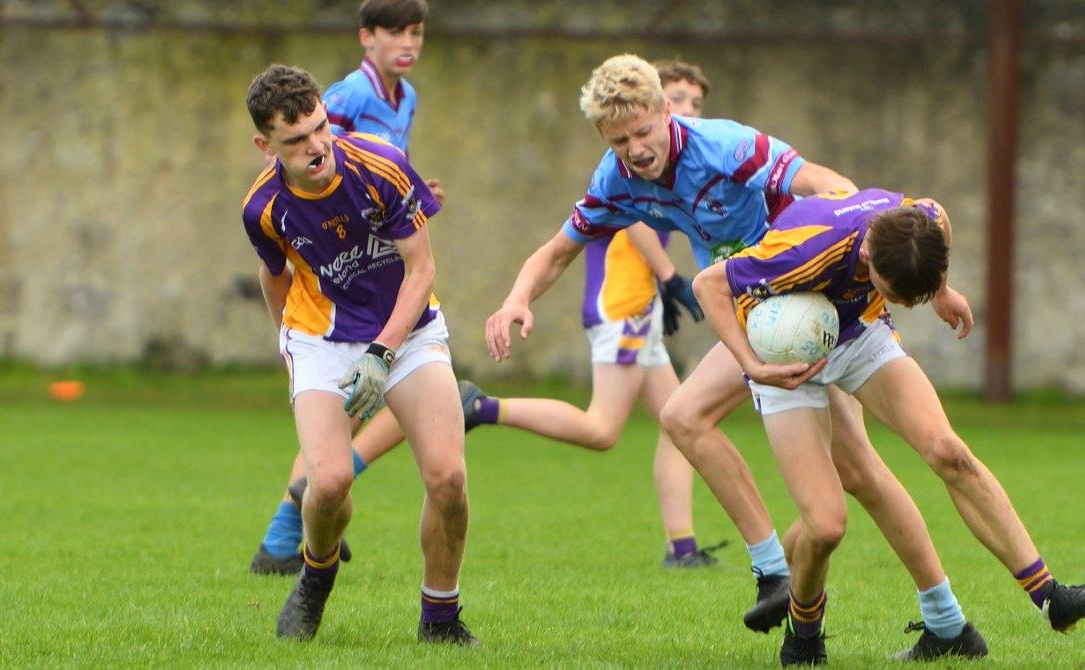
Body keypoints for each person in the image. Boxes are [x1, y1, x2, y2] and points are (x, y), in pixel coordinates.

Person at [692, 189, 1085, 663]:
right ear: (869, 255)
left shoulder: (922, 220)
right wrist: (753, 364)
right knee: (827, 525)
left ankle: (1050, 597)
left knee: (947, 451)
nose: (902, 302)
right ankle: (805, 634)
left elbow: (939, 210)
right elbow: (708, 285)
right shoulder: (805, 251)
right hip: (782, 352)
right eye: (893, 291)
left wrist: (942, 291)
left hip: (856, 331)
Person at [241, 64, 476, 645]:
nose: (316, 146)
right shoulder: (262, 208)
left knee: (448, 480)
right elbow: (274, 281)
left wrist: (382, 351)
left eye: (320, 127)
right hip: (320, 337)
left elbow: (421, 270)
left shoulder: (380, 165)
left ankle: (440, 617)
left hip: (408, 329)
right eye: (295, 141)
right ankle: (316, 574)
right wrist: (293, 353)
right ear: (264, 145)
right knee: (327, 484)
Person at [462, 59, 727, 567]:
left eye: (696, 101)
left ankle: (683, 547)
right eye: (680, 97)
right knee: (603, 429)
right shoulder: (631, 166)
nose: (689, 109)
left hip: (638, 304)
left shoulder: (685, 155)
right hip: (621, 302)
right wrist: (671, 277)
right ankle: (482, 408)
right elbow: (629, 225)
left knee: (685, 420)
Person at [249, 0, 445, 576]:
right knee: (347, 412)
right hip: (333, 287)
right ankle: (291, 525)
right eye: (395, 32)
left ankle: (293, 526)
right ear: (367, 39)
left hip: (379, 268)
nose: (408, 43)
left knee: (362, 407)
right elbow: (307, 161)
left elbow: (379, 176)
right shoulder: (345, 98)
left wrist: (413, 192)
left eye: (417, 32)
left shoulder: (404, 99)